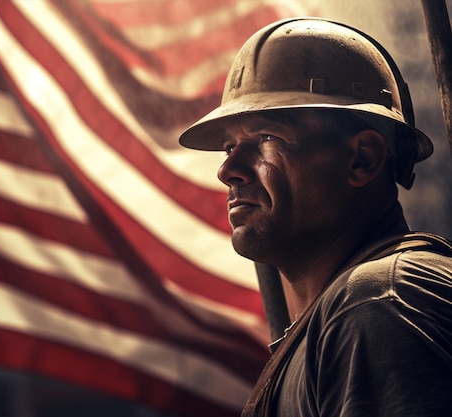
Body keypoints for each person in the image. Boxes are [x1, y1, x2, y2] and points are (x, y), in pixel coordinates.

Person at [178, 17, 452, 417]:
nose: (228, 170)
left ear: (362, 158)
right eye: (229, 146)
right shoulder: (337, 321)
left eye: (267, 137)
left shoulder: (378, 304)